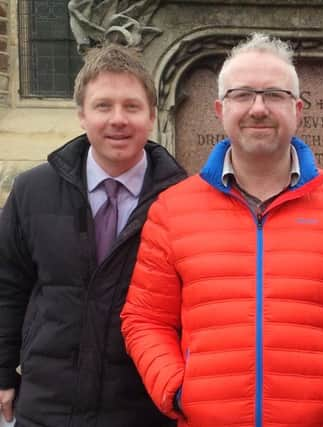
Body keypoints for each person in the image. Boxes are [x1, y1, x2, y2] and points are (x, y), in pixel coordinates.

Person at [120, 32, 323, 426]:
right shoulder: (172, 209)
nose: (258, 108)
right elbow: (144, 319)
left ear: (298, 109)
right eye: (243, 95)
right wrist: (178, 390)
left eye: (274, 95)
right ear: (220, 109)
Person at [0, 44, 187, 427]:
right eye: (103, 106)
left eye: (131, 106)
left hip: (142, 409)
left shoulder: (184, 200)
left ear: (152, 115)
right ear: (81, 114)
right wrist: (2, 372)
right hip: (47, 405)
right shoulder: (32, 191)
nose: (118, 119)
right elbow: (8, 286)